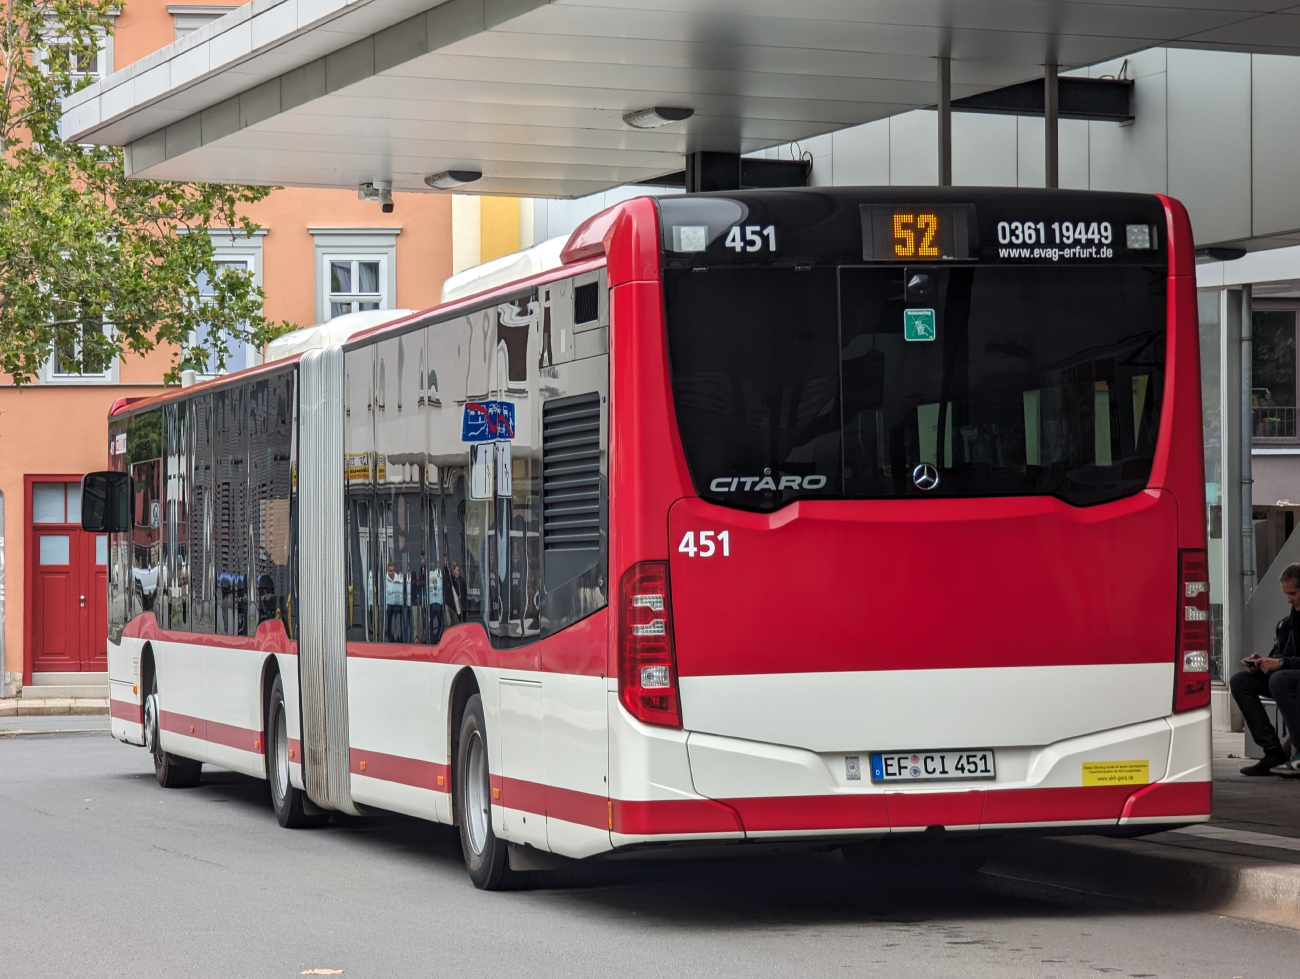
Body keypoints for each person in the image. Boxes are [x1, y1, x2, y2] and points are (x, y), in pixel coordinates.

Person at [1232, 562, 1300, 776]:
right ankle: (1273, 752)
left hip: (1291, 677)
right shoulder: (1294, 614)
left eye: (1293, 593)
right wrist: (1265, 662)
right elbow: (1288, 653)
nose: (1289, 599)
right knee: (1240, 681)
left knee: (1280, 680)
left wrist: (1280, 664)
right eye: (1286, 594)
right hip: (1292, 673)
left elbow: (1287, 662)